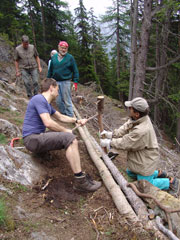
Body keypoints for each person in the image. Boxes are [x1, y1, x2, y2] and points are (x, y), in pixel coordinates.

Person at [22, 78, 101, 192]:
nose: (58, 92)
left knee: (67, 136)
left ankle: (81, 177)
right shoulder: (39, 99)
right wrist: (65, 130)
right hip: (32, 139)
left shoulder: (45, 104)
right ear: (51, 88)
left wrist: (77, 121)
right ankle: (80, 181)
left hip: (37, 137)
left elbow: (60, 117)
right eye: (57, 89)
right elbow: (48, 123)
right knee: (71, 139)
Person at [100, 97, 180, 197]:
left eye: (131, 108)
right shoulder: (137, 119)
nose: (129, 109)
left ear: (137, 113)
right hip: (138, 157)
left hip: (145, 160)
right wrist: (111, 134)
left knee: (145, 187)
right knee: (131, 172)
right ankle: (157, 174)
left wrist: (110, 143)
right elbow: (126, 127)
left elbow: (126, 143)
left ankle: (170, 183)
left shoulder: (142, 130)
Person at [47, 41, 78, 117]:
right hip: (55, 82)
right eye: (62, 48)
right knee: (58, 101)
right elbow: (50, 70)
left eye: (65, 48)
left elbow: (75, 70)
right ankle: (63, 114)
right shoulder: (54, 58)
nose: (63, 50)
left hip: (66, 82)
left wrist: (75, 82)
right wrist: (48, 80)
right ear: (58, 47)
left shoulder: (70, 58)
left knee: (67, 100)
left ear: (67, 49)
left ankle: (70, 115)